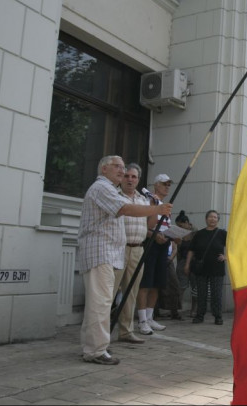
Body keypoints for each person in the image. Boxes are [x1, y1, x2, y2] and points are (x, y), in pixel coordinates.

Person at [78, 155, 171, 365]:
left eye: (123, 167)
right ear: (103, 169)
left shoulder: (109, 189)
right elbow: (125, 209)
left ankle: (91, 345)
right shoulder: (102, 188)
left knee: (99, 302)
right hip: (100, 253)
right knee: (101, 302)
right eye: (117, 167)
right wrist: (157, 209)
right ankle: (96, 350)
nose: (121, 170)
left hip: (108, 253)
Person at [112, 163, 152, 344]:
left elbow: (149, 225)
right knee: (109, 293)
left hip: (138, 249)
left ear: (138, 179)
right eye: (127, 176)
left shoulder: (144, 200)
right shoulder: (114, 196)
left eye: (133, 177)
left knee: (131, 292)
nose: (129, 179)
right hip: (118, 248)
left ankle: (126, 331)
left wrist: (158, 208)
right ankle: (102, 333)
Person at [136, 174, 173, 335]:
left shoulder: (163, 204)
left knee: (157, 283)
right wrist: (154, 235)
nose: (167, 187)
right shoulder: (150, 200)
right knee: (146, 282)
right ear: (156, 185)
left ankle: (150, 316)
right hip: (150, 244)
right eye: (164, 184)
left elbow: (165, 226)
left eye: (169, 184)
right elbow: (145, 225)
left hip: (163, 244)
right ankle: (142, 319)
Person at [186, 210, 228, 325]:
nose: (212, 219)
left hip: (217, 268)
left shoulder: (222, 233)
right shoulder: (199, 234)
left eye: (215, 217)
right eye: (210, 217)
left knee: (216, 293)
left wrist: (226, 256)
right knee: (201, 293)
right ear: (206, 219)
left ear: (218, 220)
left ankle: (218, 316)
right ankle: (200, 315)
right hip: (201, 268)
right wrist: (187, 264)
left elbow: (234, 245)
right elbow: (191, 250)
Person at [170, 211, 196, 318]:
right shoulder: (179, 234)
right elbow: (177, 249)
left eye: (180, 225)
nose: (179, 228)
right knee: (180, 286)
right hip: (182, 262)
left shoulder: (196, 233)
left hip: (195, 263)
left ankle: (194, 310)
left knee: (195, 288)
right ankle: (175, 310)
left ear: (187, 223)